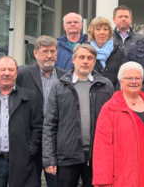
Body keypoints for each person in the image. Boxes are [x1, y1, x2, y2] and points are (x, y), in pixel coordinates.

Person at [93, 61, 144, 186]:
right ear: (120, 81)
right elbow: (103, 147)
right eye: (129, 78)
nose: (134, 81)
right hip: (124, 176)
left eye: (137, 78)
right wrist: (103, 179)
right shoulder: (110, 109)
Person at [43, 44, 115, 187]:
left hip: (97, 155)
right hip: (67, 155)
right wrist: (49, 158)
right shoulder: (59, 86)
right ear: (73, 59)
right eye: (81, 57)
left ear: (94, 62)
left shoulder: (105, 86)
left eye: (90, 58)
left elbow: (114, 123)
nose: (85, 61)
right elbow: (50, 124)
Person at [16, 35, 65, 187]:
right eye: (45, 51)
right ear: (35, 53)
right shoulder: (22, 74)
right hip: (31, 138)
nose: (49, 55)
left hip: (56, 140)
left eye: (52, 51)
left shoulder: (65, 76)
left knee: (57, 182)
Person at [0, 56, 42, 187]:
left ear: (16, 73)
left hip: (22, 161)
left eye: (11, 70)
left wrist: (30, 150)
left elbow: (38, 127)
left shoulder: (30, 97)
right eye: (2, 69)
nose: (6, 73)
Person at [88, 16, 126, 88]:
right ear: (92, 32)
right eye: (98, 29)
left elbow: (123, 75)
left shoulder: (118, 51)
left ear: (109, 32)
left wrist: (115, 95)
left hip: (113, 95)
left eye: (105, 29)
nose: (102, 32)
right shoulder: (86, 51)